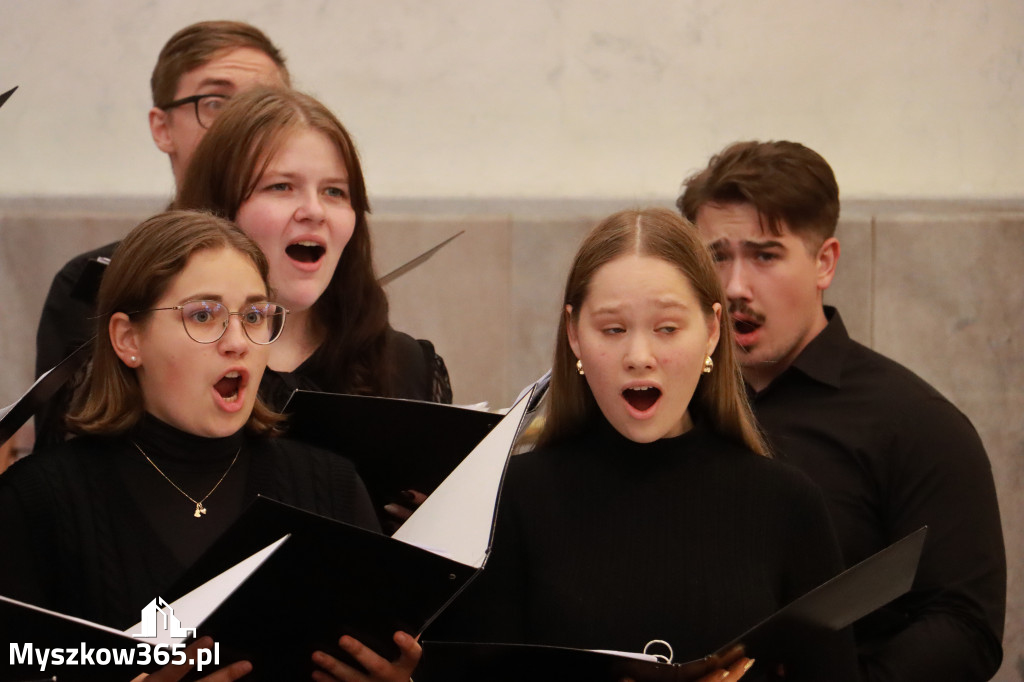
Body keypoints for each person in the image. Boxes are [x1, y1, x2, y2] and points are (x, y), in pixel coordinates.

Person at [428, 208, 858, 682]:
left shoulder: (786, 504)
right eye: (613, 329)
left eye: (667, 329)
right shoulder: (511, 503)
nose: (639, 357)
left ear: (712, 331)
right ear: (574, 334)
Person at [1, 211, 420, 681]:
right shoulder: (39, 502)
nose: (239, 342)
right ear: (127, 339)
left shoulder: (331, 487)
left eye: (256, 315)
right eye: (204, 315)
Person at [678, 140, 1006, 682]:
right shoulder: (671, 404)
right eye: (716, 256)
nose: (735, 286)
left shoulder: (917, 423)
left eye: (764, 254)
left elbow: (964, 627)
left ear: (824, 262)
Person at [34, 20, 290, 448]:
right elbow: (65, 453)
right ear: (162, 128)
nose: (245, 124)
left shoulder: (309, 282)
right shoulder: (95, 283)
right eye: (216, 103)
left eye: (265, 105)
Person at [173, 86, 451, 410]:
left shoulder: (404, 365)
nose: (315, 211)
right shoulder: (172, 362)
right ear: (219, 209)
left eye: (334, 191)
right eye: (281, 186)